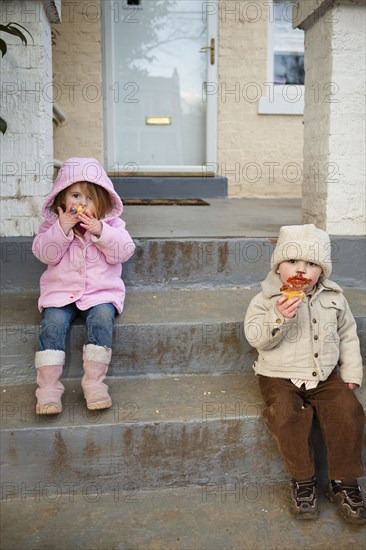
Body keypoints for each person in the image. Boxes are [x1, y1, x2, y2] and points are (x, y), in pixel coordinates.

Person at [244, 224, 365, 524]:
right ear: (278, 266)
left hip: (325, 375)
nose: (302, 270)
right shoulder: (266, 299)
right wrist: (279, 317)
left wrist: (351, 370)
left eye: (311, 264)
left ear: (322, 270)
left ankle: (344, 482)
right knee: (286, 414)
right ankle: (303, 480)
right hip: (278, 376)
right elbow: (255, 337)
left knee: (348, 410)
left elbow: (348, 335)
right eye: (292, 262)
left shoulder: (335, 298)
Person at [32, 158, 135, 415]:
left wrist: (100, 231)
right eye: (75, 195)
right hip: (60, 292)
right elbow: (45, 254)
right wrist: (61, 230)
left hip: (99, 292)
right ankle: (48, 389)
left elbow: (124, 251)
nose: (81, 203)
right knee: (53, 323)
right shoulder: (52, 226)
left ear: (101, 202)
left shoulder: (112, 226)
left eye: (89, 198)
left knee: (101, 318)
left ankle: (94, 383)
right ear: (62, 200)